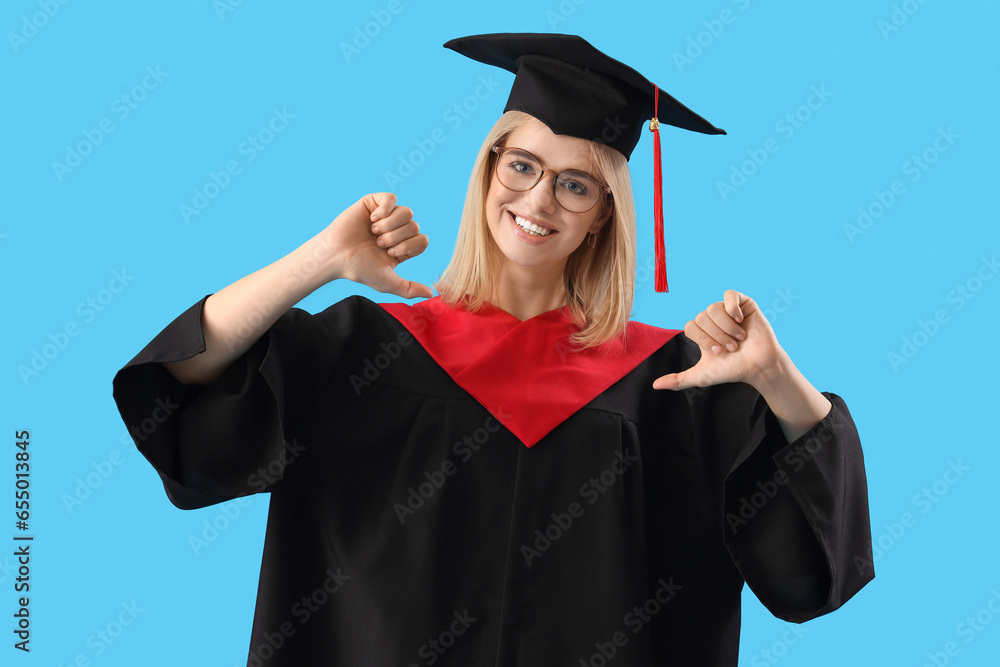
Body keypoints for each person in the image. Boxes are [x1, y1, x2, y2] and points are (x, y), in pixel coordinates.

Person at [113, 33, 873, 666]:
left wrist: (776, 378)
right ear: (487, 173)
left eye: (577, 186)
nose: (539, 200)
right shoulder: (359, 350)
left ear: (603, 217)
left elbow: (813, 577)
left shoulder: (673, 385)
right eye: (523, 166)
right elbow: (181, 390)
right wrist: (320, 260)